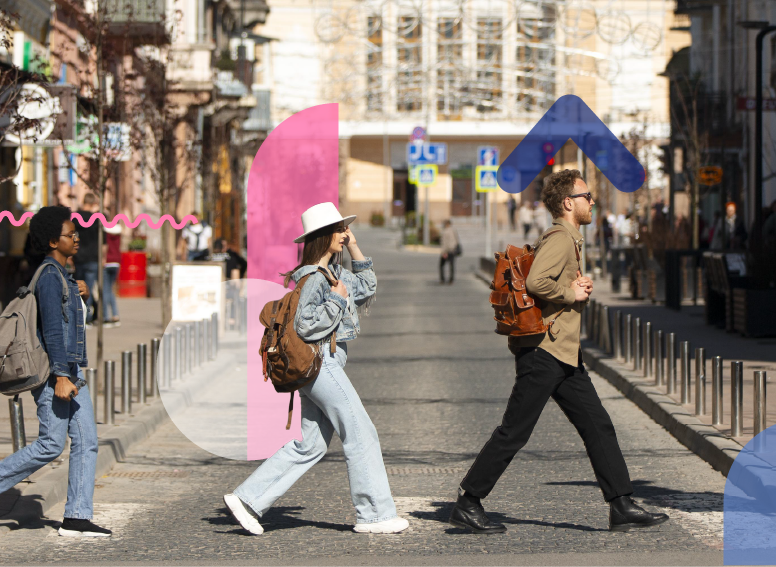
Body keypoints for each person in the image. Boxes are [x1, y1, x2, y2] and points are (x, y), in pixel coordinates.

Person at [449, 169, 668, 534]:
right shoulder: (561, 237)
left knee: (598, 425)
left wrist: (574, 284)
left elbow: (550, 280)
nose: (592, 202)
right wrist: (571, 292)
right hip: (544, 353)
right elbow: (537, 282)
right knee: (515, 431)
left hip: (564, 355)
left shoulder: (569, 239)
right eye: (587, 197)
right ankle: (468, 501)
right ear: (569, 203)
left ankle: (621, 505)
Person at [223, 202, 409, 535]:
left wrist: (354, 247)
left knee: (312, 445)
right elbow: (306, 326)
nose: (344, 233)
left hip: (323, 364)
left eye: (344, 229)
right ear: (323, 237)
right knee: (360, 431)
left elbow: (367, 286)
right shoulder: (313, 279)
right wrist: (336, 300)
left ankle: (248, 498)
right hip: (321, 363)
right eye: (339, 230)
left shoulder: (333, 275)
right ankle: (375, 514)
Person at [0, 206, 111, 537]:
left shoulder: (62, 276)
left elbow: (71, 320)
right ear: (54, 241)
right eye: (72, 235)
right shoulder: (50, 278)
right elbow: (53, 331)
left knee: (87, 440)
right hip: (53, 374)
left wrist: (79, 291)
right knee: (51, 444)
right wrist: (60, 376)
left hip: (69, 369)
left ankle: (77, 516)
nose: (77, 238)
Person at [73, 194, 102, 323]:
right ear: (93, 203)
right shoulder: (96, 219)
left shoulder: (75, 218)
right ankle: (88, 317)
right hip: (93, 258)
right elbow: (103, 241)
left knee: (78, 289)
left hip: (78, 258)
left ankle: (81, 317)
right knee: (88, 288)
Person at [102, 222, 122, 326]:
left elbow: (104, 246)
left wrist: (103, 258)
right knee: (110, 289)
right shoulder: (118, 231)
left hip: (107, 262)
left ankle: (106, 317)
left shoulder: (105, 232)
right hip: (116, 262)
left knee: (105, 290)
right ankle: (115, 314)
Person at [439, 219, 460, 284]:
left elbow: (444, 243)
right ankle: (451, 279)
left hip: (446, 250)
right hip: (453, 250)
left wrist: (444, 252)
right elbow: (457, 240)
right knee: (452, 265)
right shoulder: (454, 230)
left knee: (442, 265)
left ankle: (442, 279)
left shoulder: (445, 232)